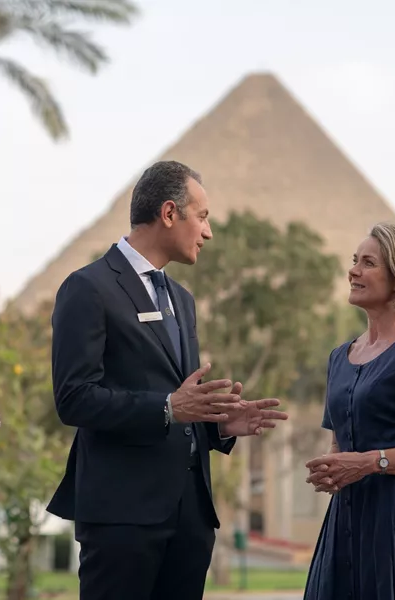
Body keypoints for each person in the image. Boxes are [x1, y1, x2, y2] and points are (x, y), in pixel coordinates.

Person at [46, 160, 288, 600]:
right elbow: (73, 398)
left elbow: (181, 406)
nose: (208, 232)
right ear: (170, 213)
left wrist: (218, 426)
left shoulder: (182, 299)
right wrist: (168, 408)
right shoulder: (88, 288)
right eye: (203, 217)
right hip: (123, 518)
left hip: (190, 519)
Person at [302, 223, 395, 600]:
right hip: (343, 524)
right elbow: (339, 446)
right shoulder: (339, 357)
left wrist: (369, 463)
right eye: (355, 260)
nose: (353, 270)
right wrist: (330, 471)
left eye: (368, 263)